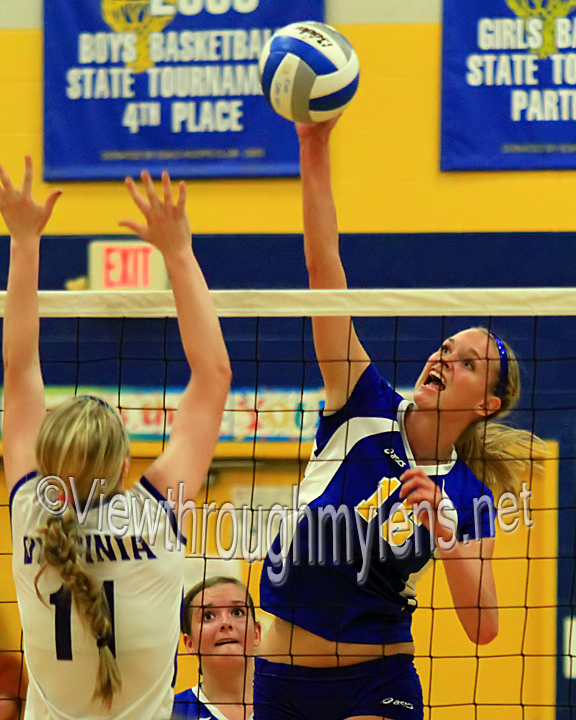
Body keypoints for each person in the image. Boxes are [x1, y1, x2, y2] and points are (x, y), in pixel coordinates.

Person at [254, 119, 546, 720]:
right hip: (278, 680)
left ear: (484, 404)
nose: (444, 357)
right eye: (447, 347)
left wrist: (446, 530)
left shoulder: (467, 495)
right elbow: (323, 270)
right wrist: (313, 145)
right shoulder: (362, 400)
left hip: (374, 681)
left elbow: (485, 625)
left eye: (467, 364)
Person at [2, 157, 231, 719]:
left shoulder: (32, 510)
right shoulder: (154, 516)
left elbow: (19, 369)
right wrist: (179, 251)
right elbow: (214, 375)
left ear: (47, 457)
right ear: (127, 461)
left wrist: (25, 241)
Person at [173, 577, 261, 720]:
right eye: (208, 616)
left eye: (237, 612)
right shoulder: (170, 713)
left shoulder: (288, 706)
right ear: (189, 643)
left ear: (257, 633)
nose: (226, 623)